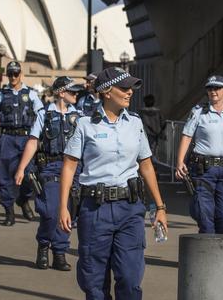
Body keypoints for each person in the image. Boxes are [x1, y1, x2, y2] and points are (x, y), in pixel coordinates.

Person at [57, 67, 168, 300]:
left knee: (130, 278)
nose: (130, 93)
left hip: (130, 209)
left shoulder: (135, 123)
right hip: (95, 210)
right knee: (94, 282)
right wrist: (63, 206)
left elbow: (146, 165)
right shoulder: (85, 124)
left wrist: (160, 207)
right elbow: (69, 165)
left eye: (131, 88)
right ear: (107, 91)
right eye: (124, 88)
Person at [14, 76, 83, 271]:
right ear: (61, 93)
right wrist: (21, 168)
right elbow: (33, 141)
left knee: (69, 211)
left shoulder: (80, 116)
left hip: (74, 169)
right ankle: (44, 245)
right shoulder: (44, 114)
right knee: (51, 211)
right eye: (72, 91)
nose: (76, 94)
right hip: (51, 167)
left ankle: (59, 252)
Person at [174, 75, 223, 234]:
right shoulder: (198, 112)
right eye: (210, 88)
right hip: (203, 170)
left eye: (217, 88)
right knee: (205, 217)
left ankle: (216, 241)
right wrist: (179, 162)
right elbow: (187, 136)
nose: (213, 91)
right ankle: (207, 249)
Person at [0, 61, 43, 226]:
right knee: (5, 176)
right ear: (6, 75)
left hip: (27, 138)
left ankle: (23, 200)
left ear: (21, 74)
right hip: (7, 138)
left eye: (16, 74)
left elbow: (41, 116)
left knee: (30, 175)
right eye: (10, 74)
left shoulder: (31, 94)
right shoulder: (0, 95)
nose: (13, 77)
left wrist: (41, 137)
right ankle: (9, 212)